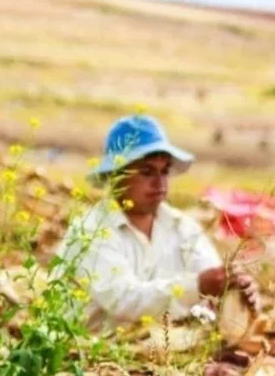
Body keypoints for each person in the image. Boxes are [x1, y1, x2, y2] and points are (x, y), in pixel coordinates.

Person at [54, 114, 258, 329]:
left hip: (160, 347)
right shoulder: (91, 232)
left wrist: (235, 289)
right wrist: (198, 286)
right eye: (147, 172)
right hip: (92, 353)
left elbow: (212, 278)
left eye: (164, 171)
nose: (159, 182)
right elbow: (123, 300)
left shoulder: (182, 227)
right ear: (116, 176)